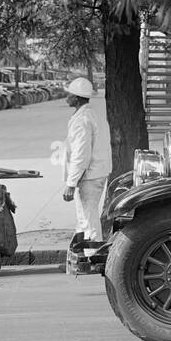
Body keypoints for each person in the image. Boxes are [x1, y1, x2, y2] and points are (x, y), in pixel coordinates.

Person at [61, 77, 111, 248]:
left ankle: (94, 254)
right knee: (84, 217)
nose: (66, 97)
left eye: (69, 94)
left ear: (76, 97)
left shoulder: (83, 119)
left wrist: (71, 183)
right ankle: (84, 255)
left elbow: (81, 154)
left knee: (88, 218)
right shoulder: (88, 114)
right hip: (94, 171)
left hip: (90, 173)